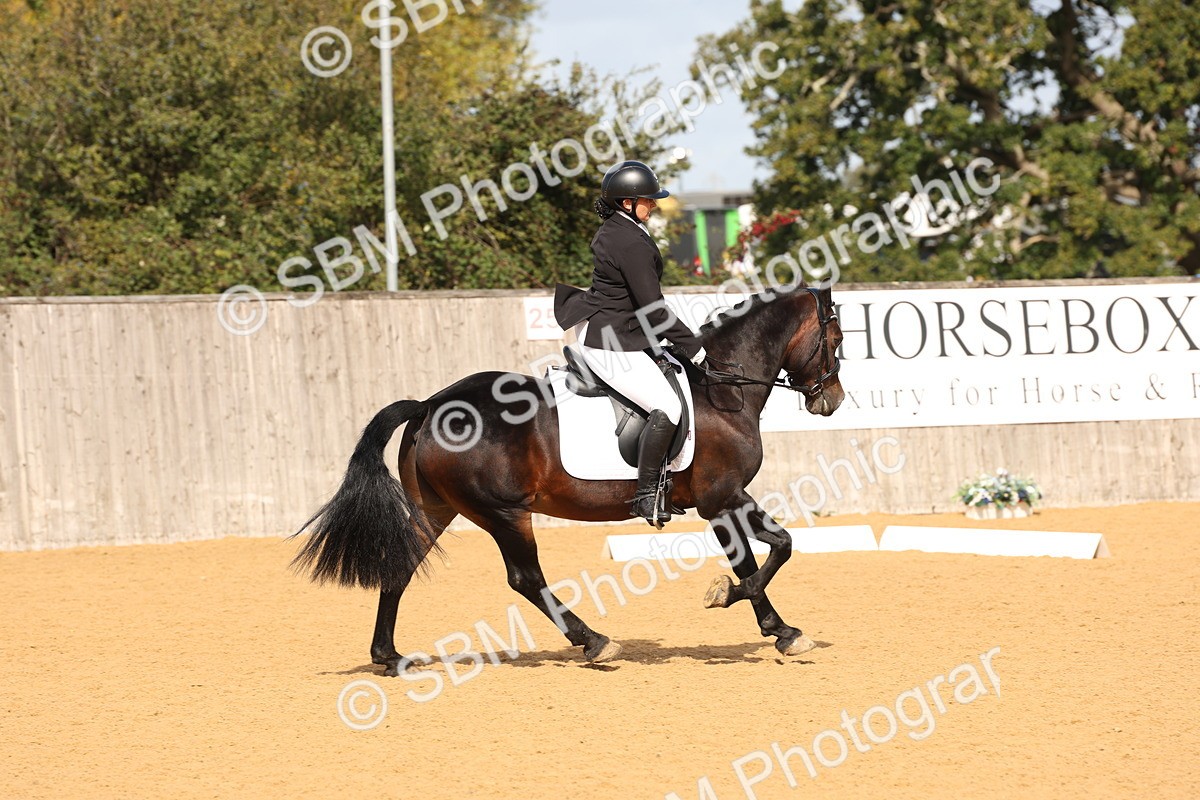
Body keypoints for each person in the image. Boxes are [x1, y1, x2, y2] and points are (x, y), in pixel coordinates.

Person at [554, 160, 707, 525]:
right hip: (610, 342)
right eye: (647, 200)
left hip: (619, 332)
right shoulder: (628, 240)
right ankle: (645, 497)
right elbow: (654, 310)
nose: (653, 205)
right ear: (627, 203)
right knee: (668, 406)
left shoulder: (622, 230)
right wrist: (695, 347)